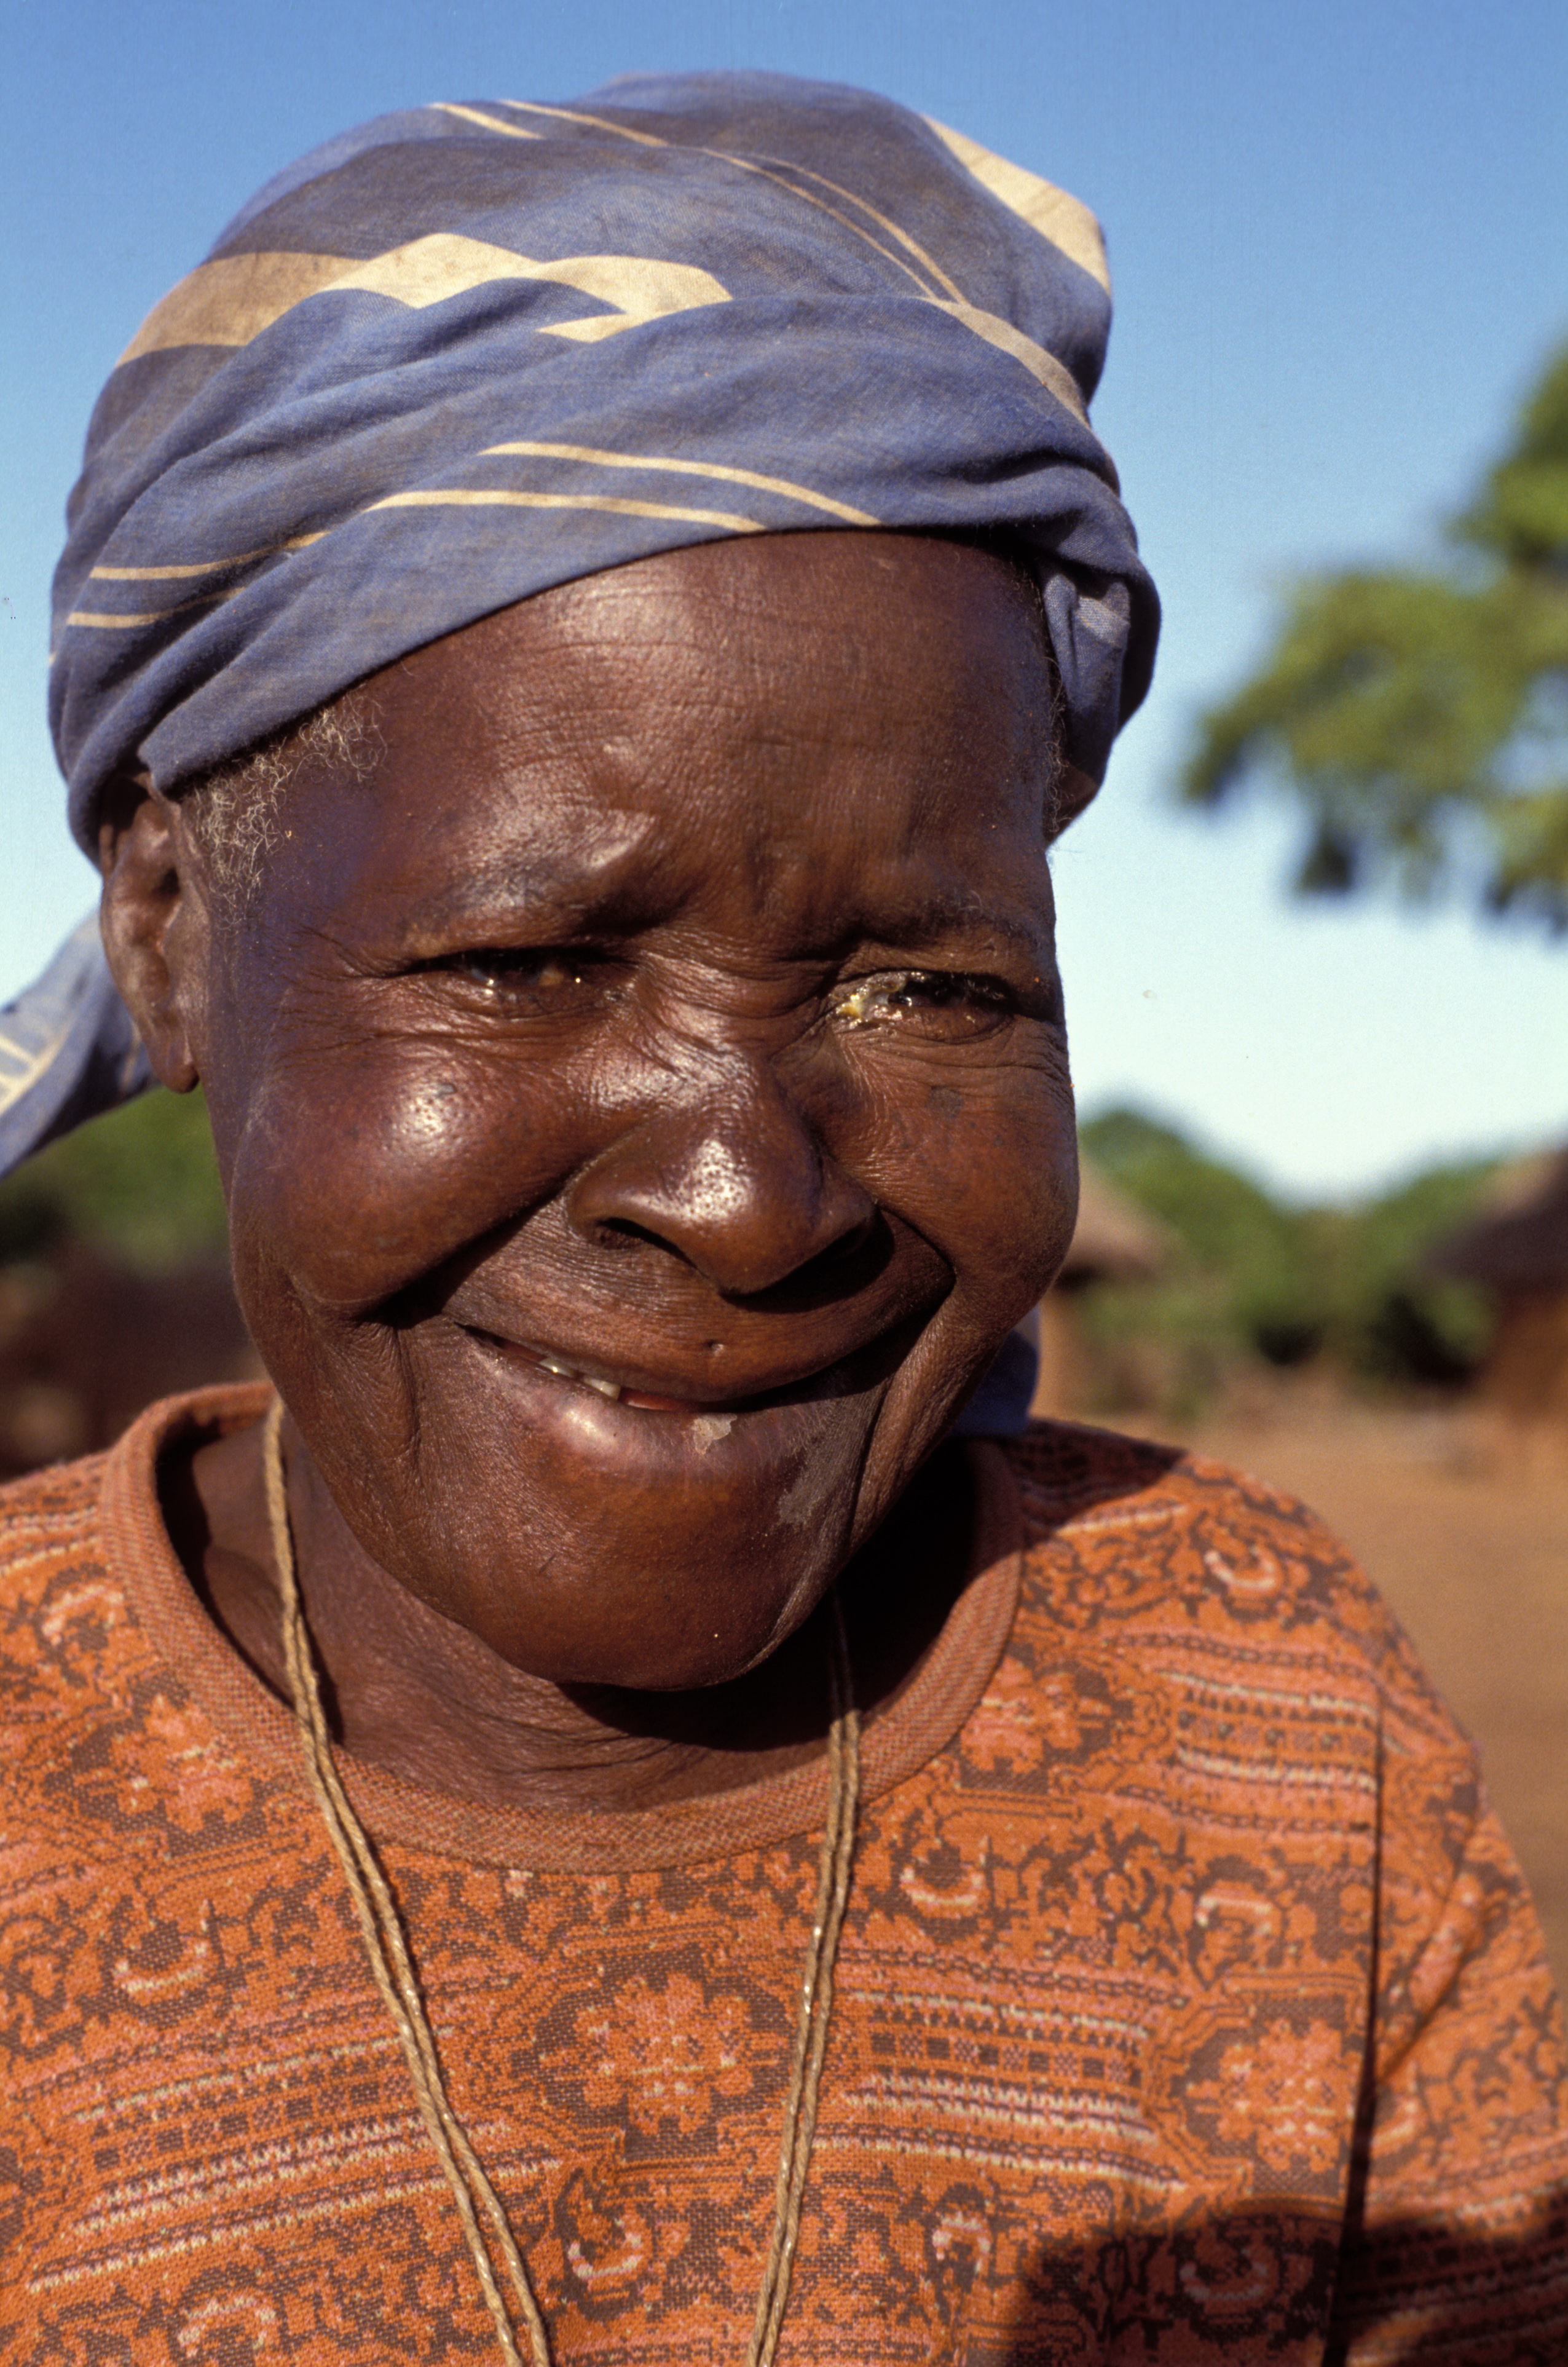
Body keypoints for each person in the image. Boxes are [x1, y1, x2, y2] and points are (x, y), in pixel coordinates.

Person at [0, 73, 1562, 2365]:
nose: (749, 1196)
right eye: (531, 959)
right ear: (166, 929)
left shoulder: (1267, 1701)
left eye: (929, 985)